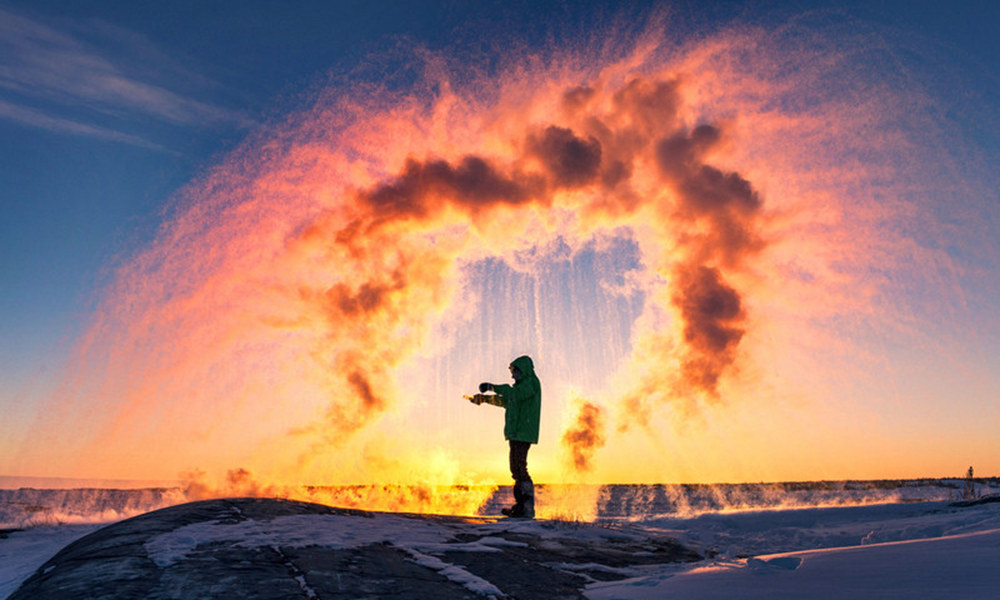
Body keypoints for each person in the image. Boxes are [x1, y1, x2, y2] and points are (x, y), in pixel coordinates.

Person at [477, 355, 542, 518]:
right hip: (516, 433)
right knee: (516, 469)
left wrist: (492, 387)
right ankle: (522, 506)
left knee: (519, 468)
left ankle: (526, 508)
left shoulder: (531, 384)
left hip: (523, 432)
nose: (512, 375)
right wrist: (484, 399)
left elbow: (514, 395)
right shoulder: (519, 388)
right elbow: (506, 401)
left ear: (523, 370)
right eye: (511, 371)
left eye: (514, 371)